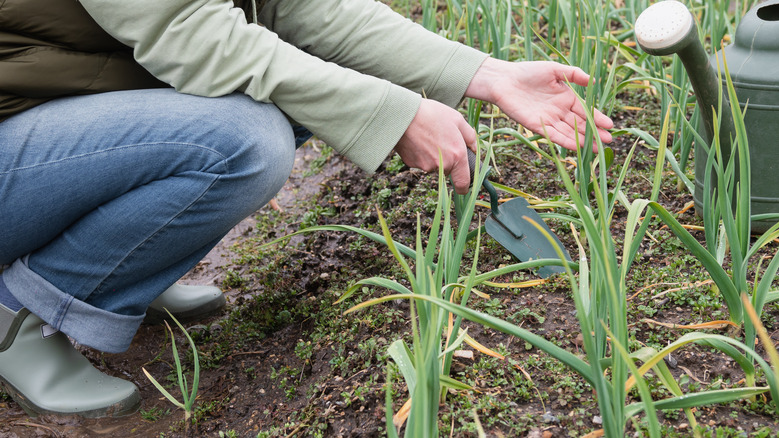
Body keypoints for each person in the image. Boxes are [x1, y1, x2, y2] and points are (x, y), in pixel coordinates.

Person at [0, 0, 614, 418]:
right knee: (243, 142)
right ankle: (17, 317)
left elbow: (304, 8)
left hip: (52, 120)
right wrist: (390, 114)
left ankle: (120, 271)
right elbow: (189, 33)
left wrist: (488, 73)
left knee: (306, 95)